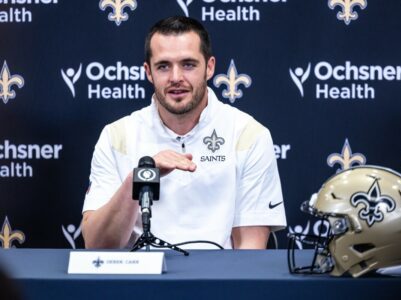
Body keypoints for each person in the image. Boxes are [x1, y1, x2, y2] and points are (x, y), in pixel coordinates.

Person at [81, 16, 286, 250]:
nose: (176, 77)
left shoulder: (248, 135)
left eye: (188, 64)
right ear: (148, 72)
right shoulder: (116, 136)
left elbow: (250, 250)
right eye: (163, 66)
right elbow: (97, 246)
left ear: (209, 67)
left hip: (218, 283)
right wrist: (137, 179)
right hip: (138, 283)